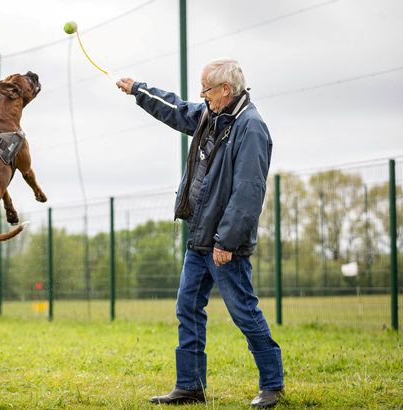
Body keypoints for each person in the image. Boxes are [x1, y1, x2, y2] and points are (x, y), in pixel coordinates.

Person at [116, 58, 284, 408]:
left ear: (225, 89)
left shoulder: (250, 127)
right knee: (188, 307)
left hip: (224, 245)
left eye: (206, 88)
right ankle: (190, 386)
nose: (201, 94)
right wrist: (138, 90)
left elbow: (249, 190)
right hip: (199, 238)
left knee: (243, 311)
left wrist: (228, 241)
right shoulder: (211, 115)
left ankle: (272, 384)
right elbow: (176, 110)